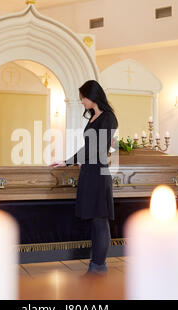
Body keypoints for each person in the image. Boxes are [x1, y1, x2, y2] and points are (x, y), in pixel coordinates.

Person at [49, 80, 118, 275]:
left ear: (93, 96)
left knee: (100, 220)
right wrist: (69, 161)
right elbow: (88, 147)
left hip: (98, 172)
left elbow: (97, 148)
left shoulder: (108, 118)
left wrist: (70, 161)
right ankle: (95, 264)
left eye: (83, 98)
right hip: (89, 171)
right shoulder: (93, 117)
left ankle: (99, 267)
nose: (81, 102)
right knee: (93, 221)